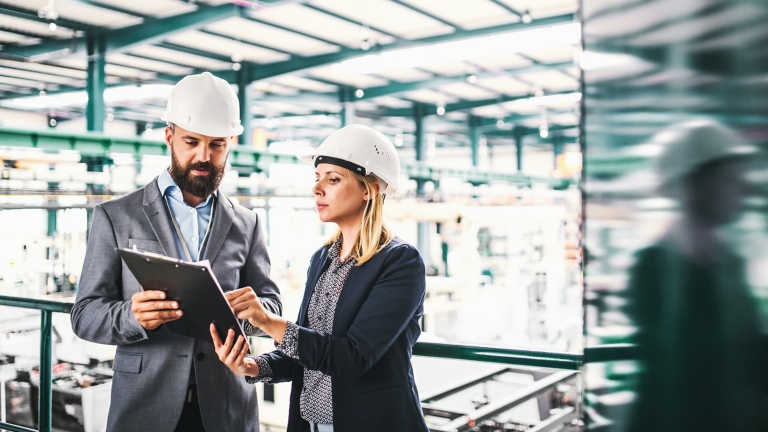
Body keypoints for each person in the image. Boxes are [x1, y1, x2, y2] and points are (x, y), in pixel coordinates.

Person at [70, 72, 282, 432]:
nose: (204, 156)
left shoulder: (247, 223)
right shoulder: (116, 217)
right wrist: (132, 316)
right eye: (191, 142)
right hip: (145, 407)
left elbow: (272, 305)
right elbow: (85, 314)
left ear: (230, 142)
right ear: (170, 137)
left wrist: (250, 315)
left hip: (227, 408)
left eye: (216, 144)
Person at [211, 124, 430, 432]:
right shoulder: (323, 258)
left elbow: (353, 357)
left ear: (370, 189)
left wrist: (268, 321)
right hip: (311, 425)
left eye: (333, 179)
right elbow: (306, 350)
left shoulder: (399, 262)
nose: (317, 188)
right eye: (317, 178)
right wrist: (252, 366)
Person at [625, 120, 768, 432]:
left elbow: (749, 346)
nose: (743, 189)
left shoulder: (729, 261)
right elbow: (694, 370)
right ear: (690, 187)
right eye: (730, 179)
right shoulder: (653, 270)